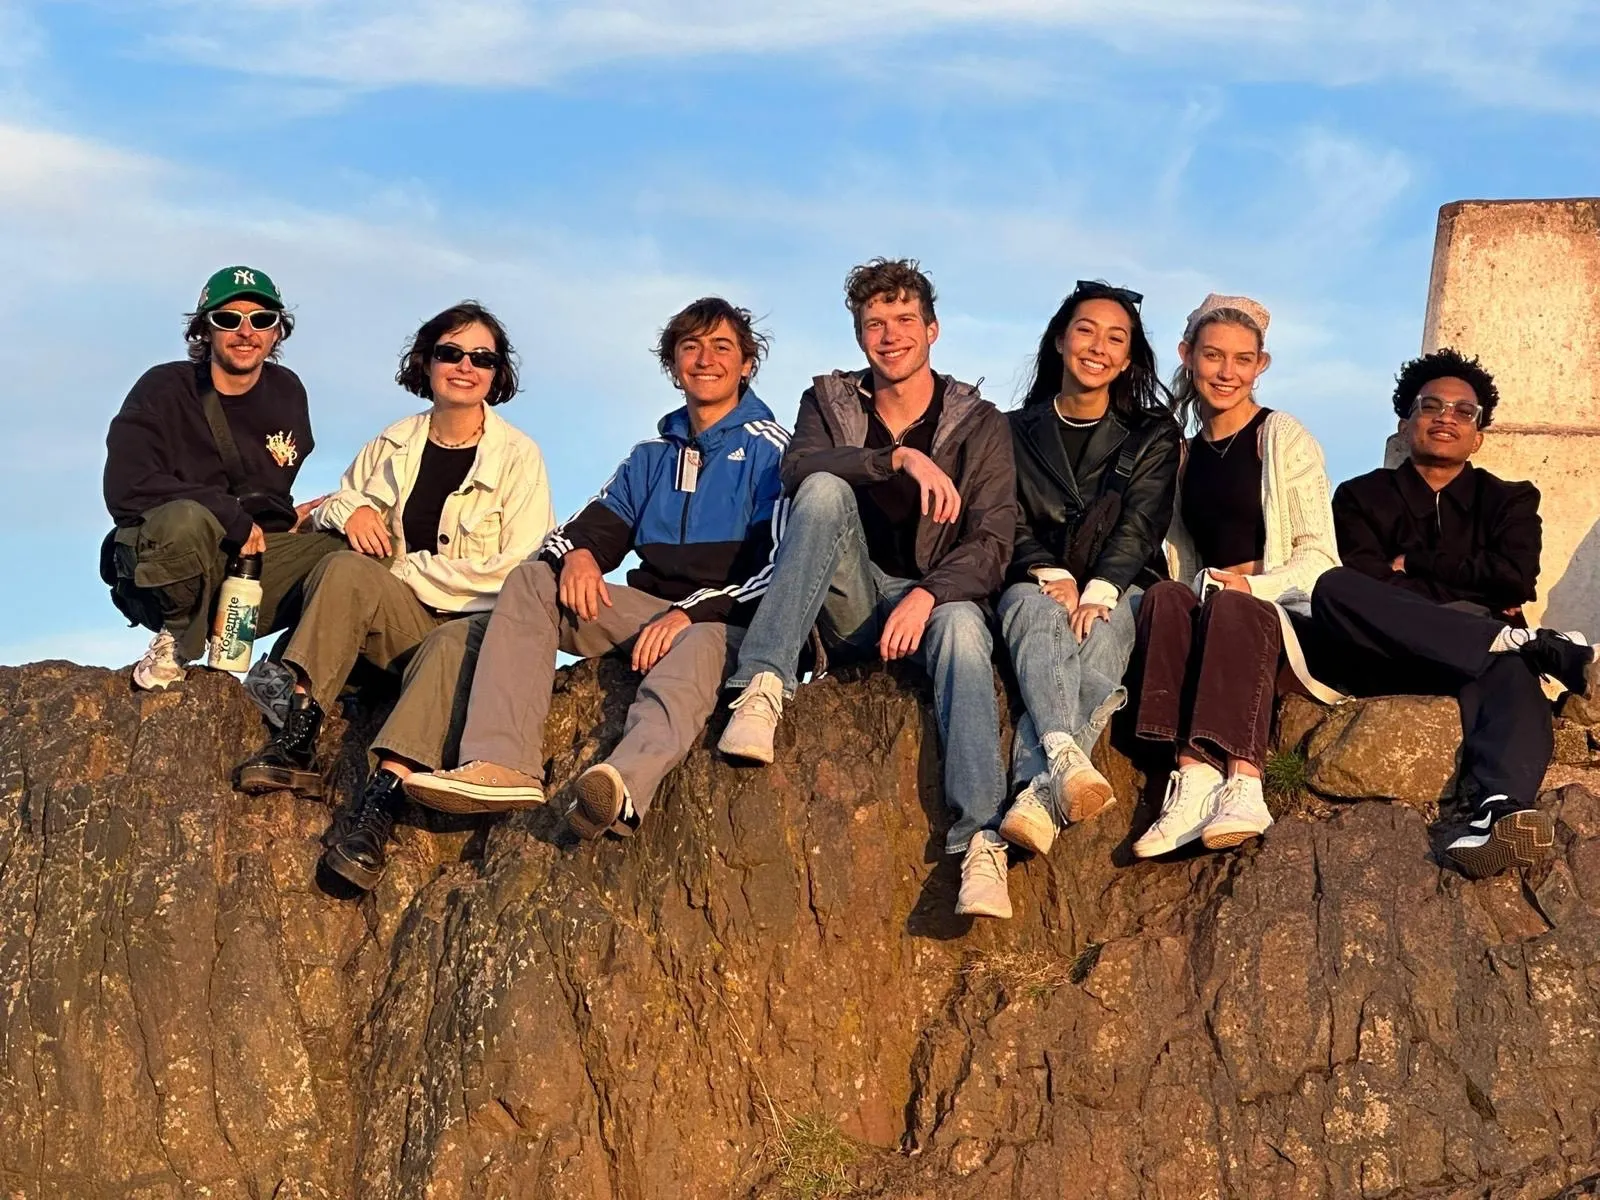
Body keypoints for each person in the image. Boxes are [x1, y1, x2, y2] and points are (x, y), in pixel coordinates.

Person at [402, 298, 787, 841]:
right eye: (691, 347)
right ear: (674, 364)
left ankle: (622, 784)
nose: (705, 360)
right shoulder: (652, 455)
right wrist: (579, 555)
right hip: (650, 615)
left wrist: (689, 613)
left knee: (699, 644)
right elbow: (577, 532)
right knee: (534, 579)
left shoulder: (774, 451)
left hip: (730, 622)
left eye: (722, 347)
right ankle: (502, 764)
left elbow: (781, 573)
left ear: (746, 364)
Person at [716, 259, 1019, 919]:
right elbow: (797, 469)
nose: (890, 335)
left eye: (905, 319)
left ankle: (981, 844)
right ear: (859, 336)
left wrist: (928, 595)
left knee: (965, 632)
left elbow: (994, 540)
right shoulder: (829, 402)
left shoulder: (981, 422)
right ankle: (763, 686)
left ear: (932, 330)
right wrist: (896, 459)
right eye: (875, 324)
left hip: (934, 604)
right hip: (850, 600)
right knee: (823, 489)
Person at [233, 302, 555, 891]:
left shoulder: (519, 457)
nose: (465, 367)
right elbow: (337, 502)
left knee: (451, 644)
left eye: (481, 358)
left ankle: (376, 810)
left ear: (497, 373)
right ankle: (298, 739)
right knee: (345, 567)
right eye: (450, 353)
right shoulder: (394, 442)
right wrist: (351, 511)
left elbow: (519, 571)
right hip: (396, 627)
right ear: (427, 361)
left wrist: (408, 570)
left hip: (471, 628)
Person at [1306, 349, 1595, 878]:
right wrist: (1471, 592)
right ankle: (1529, 643)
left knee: (1507, 666)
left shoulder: (1509, 499)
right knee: (1334, 586)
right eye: (1432, 406)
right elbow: (1369, 582)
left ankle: (1499, 811)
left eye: (1464, 412)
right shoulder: (1360, 496)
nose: (1447, 418)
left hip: (1478, 655)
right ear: (1406, 421)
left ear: (1478, 435)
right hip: (1385, 652)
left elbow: (1514, 579)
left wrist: (1413, 564)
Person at [1128, 294, 1340, 859]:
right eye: (1214, 355)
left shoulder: (1282, 436)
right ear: (1187, 355)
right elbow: (1181, 560)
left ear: (1260, 365)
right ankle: (1194, 778)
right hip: (1215, 612)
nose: (1227, 372)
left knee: (1230, 603)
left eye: (1243, 359)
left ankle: (1245, 782)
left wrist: (1252, 586)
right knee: (1165, 596)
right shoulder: (1182, 456)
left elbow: (1321, 560)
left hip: (1283, 616)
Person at [994, 282, 1180, 857]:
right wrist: (1050, 573)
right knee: (1032, 611)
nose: (1098, 346)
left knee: (1102, 627)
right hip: (1033, 579)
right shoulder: (1008, 430)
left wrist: (1099, 589)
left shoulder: (1153, 433)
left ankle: (1036, 793)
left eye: (1115, 338)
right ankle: (1065, 757)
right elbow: (1002, 514)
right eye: (1086, 330)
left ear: (1127, 359)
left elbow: (1142, 522)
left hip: (1122, 581)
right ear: (1059, 340)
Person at [101, 266, 343, 690]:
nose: (246, 332)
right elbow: (126, 486)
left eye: (262, 319)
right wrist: (228, 514)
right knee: (186, 519)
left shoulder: (287, 392)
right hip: (164, 559)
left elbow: (262, 495)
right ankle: (176, 637)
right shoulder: (161, 388)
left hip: (241, 565)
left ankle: (285, 669)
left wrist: (289, 522)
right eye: (228, 319)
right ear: (204, 329)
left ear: (277, 332)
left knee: (355, 550)